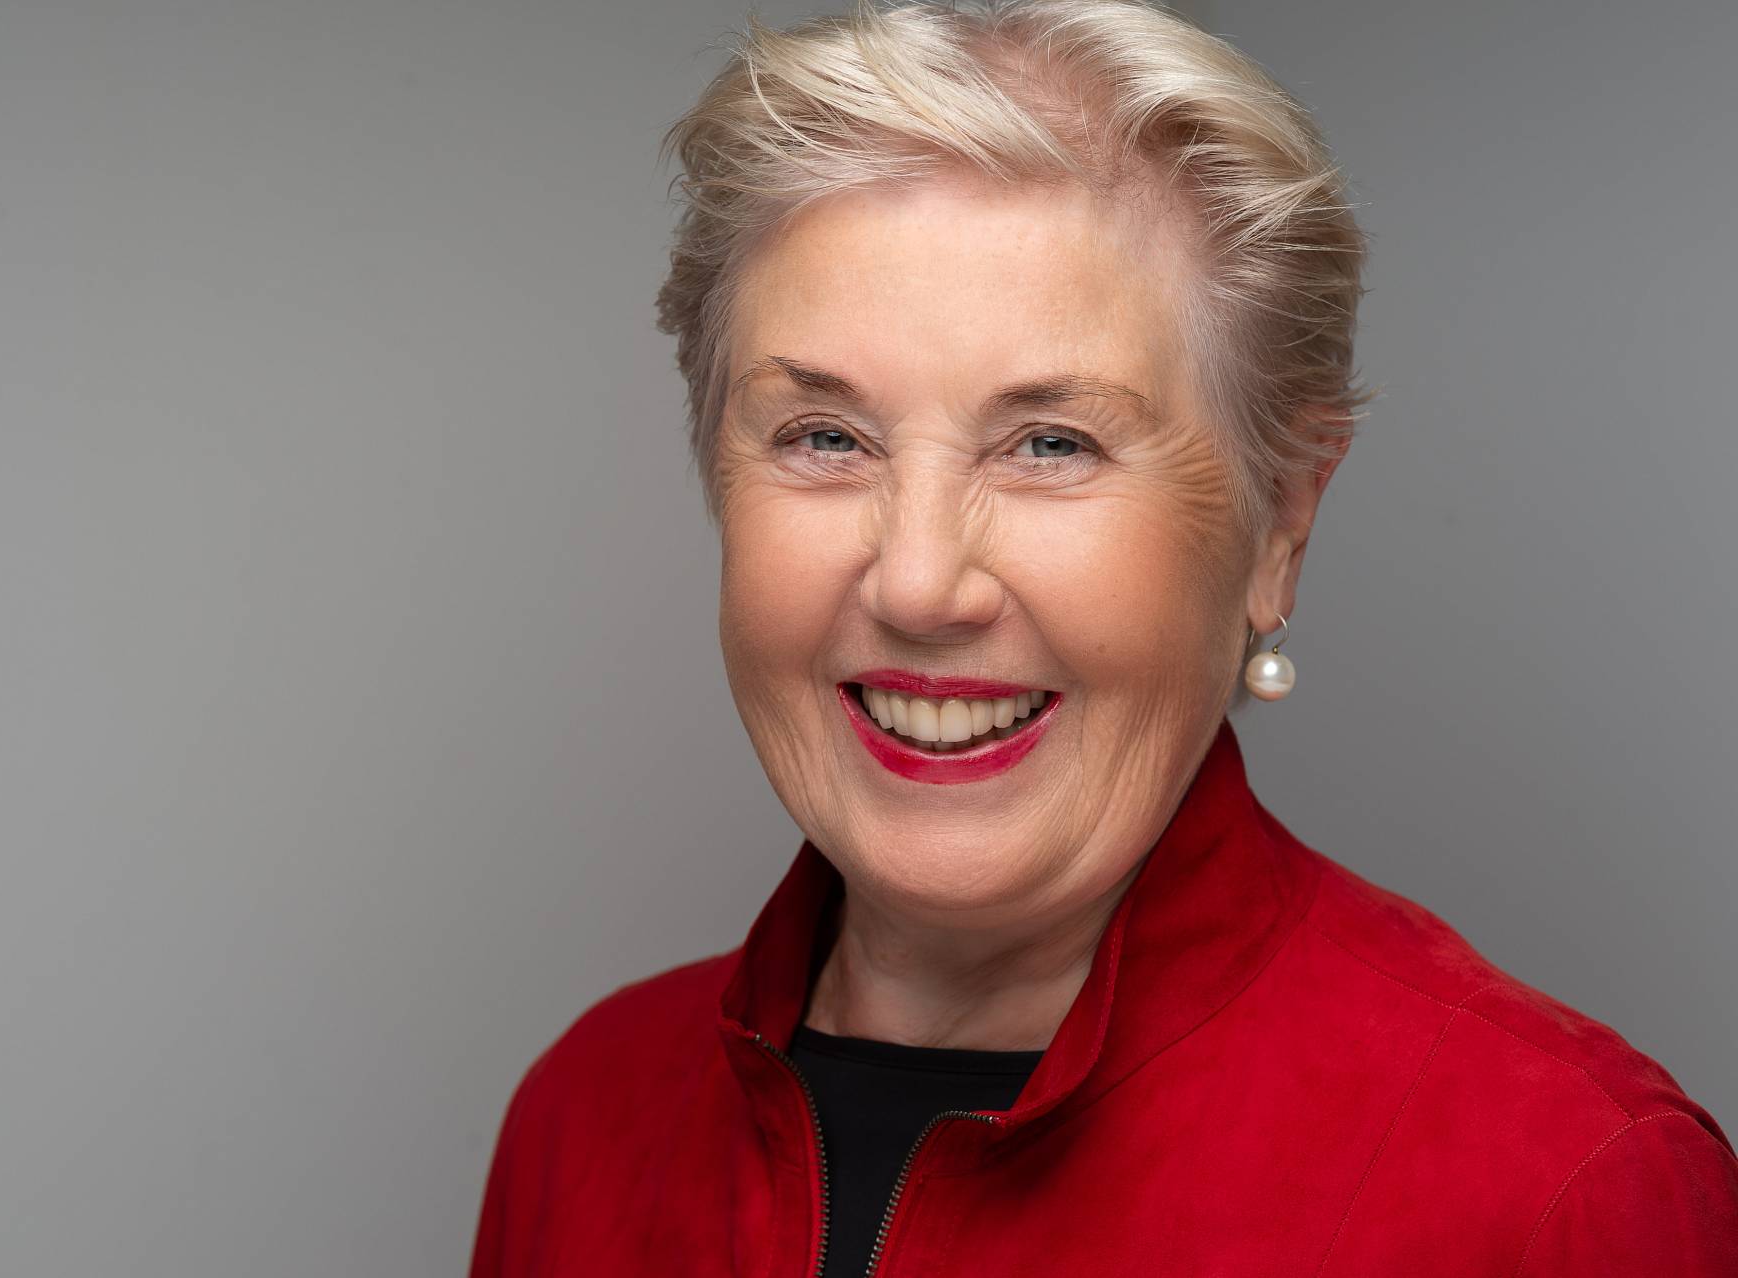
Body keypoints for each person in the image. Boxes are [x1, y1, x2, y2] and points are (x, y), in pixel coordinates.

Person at [468, 1, 1738, 1273]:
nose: (920, 584)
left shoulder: (1565, 1188)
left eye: (1050, 444)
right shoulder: (585, 1118)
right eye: (826, 438)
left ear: (1279, 524)